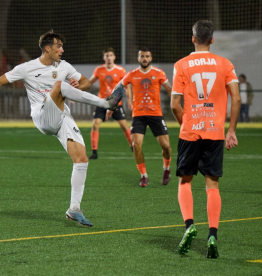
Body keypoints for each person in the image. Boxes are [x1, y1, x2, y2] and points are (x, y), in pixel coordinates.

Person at [0, 30, 123, 227]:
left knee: (81, 158)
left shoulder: (64, 66)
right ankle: (106, 103)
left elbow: (85, 82)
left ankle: (74, 209)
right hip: (43, 117)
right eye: (59, 46)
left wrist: (80, 85)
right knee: (59, 85)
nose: (62, 49)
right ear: (47, 48)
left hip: (62, 116)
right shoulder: (26, 68)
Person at [171, 20, 241, 259]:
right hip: (215, 131)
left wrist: (186, 125)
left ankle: (189, 225)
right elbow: (237, 99)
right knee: (212, 186)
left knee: (185, 181)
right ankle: (213, 234)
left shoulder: (181, 64)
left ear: (192, 38)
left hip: (191, 130)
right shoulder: (225, 64)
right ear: (212, 40)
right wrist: (230, 130)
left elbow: (174, 104)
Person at [120, 47, 172, 187]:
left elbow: (170, 90)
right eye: (142, 56)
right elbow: (120, 87)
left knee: (166, 147)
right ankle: (144, 176)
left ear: (151, 58)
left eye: (147, 56)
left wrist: (177, 105)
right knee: (136, 145)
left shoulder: (158, 73)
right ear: (138, 58)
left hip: (156, 114)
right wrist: (111, 102)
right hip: (139, 116)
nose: (144, 58)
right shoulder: (131, 74)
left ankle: (166, 169)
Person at [88, 48, 132, 160]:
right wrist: (77, 90)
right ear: (104, 58)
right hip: (102, 102)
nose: (109, 57)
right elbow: (89, 82)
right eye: (106, 55)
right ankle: (94, 152)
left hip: (116, 102)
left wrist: (130, 101)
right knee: (95, 124)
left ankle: (133, 146)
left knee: (123, 125)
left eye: (110, 55)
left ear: (114, 57)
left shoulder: (120, 70)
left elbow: (127, 87)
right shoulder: (99, 70)